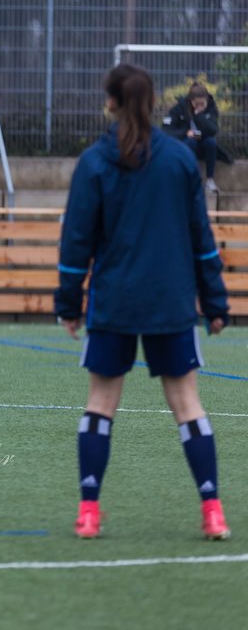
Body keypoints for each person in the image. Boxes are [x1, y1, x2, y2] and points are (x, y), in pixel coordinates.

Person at [56, 63, 231, 541]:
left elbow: (76, 241)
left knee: (100, 403)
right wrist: (215, 301)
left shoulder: (94, 162)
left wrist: (68, 302)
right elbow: (202, 239)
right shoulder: (177, 161)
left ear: (110, 103)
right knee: (187, 404)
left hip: (115, 302)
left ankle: (88, 511)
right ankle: (212, 510)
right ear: (154, 102)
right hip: (170, 302)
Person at [162, 82, 228, 193]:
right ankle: (190, 179)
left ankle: (210, 181)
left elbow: (213, 130)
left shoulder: (211, 108)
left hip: (203, 143)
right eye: (197, 104)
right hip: (186, 145)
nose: (200, 107)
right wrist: (185, 133)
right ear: (191, 101)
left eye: (202, 104)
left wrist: (199, 116)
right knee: (191, 141)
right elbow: (166, 130)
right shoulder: (179, 108)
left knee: (211, 142)